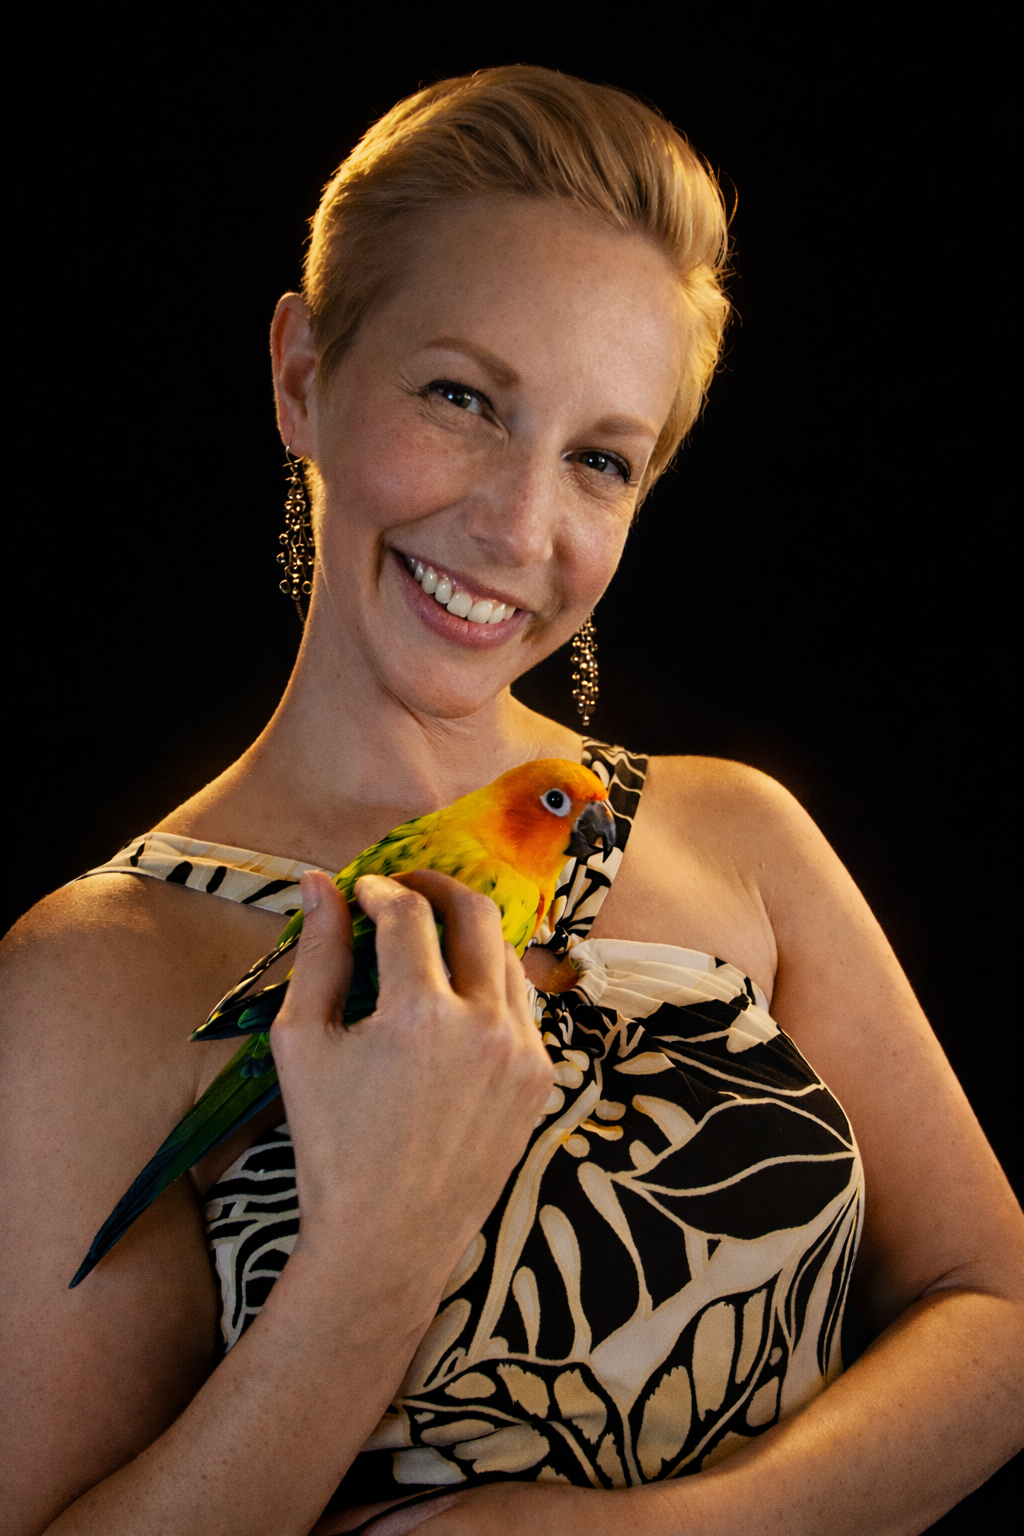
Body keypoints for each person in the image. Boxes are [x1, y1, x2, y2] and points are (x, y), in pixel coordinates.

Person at [2, 65, 1020, 1536]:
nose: (520, 527)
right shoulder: (101, 973)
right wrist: (379, 1253)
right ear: (302, 377)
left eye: (601, 460)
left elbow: (998, 1312)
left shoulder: (741, 841)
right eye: (463, 398)